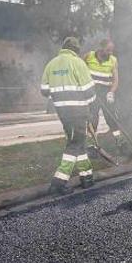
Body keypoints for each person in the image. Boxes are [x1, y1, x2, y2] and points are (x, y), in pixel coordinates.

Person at [40, 36, 97, 194]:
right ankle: (58, 182)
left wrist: (59, 95)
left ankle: (87, 177)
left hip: (62, 112)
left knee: (79, 142)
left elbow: (44, 91)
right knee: (74, 144)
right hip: (78, 111)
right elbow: (90, 91)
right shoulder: (78, 62)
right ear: (76, 50)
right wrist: (90, 102)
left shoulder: (51, 64)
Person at [83, 39, 126, 150]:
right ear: (101, 48)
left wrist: (111, 92)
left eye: (112, 50)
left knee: (111, 118)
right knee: (93, 117)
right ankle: (91, 143)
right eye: (108, 50)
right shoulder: (89, 56)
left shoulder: (113, 60)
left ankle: (120, 142)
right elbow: (80, 71)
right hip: (91, 91)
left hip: (105, 92)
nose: (110, 53)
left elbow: (115, 79)